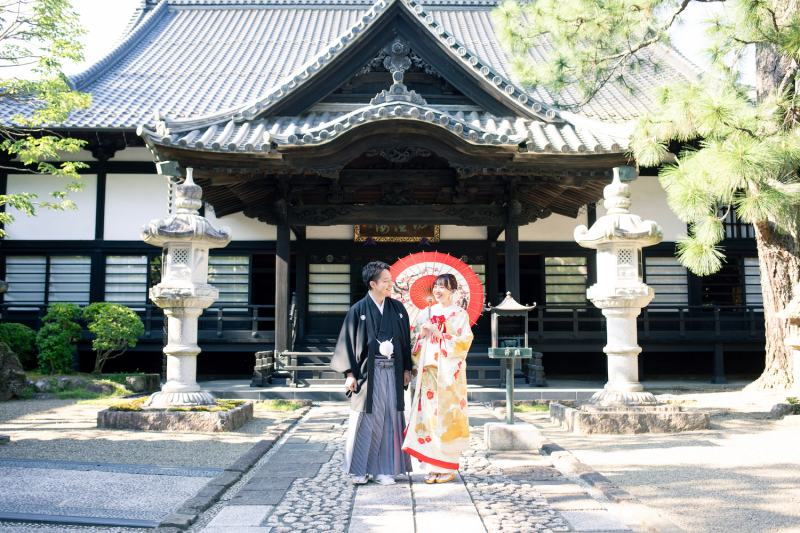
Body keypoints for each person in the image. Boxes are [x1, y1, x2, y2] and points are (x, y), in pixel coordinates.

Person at [330, 261, 413, 485]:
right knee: (365, 418)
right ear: (372, 284)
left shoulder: (398, 309)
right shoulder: (358, 310)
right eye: (386, 281)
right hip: (367, 374)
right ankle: (359, 469)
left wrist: (407, 368)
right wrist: (349, 374)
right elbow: (347, 342)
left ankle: (384, 471)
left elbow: (405, 341)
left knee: (389, 418)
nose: (390, 284)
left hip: (393, 371)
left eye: (390, 280)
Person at [402, 273, 473, 484]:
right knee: (427, 418)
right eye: (436, 287)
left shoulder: (460, 314)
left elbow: (464, 343)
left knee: (446, 418)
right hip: (427, 374)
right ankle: (432, 466)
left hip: (447, 376)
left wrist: (441, 333)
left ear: (453, 291)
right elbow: (413, 340)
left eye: (443, 287)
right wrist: (422, 334)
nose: (438, 291)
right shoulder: (426, 312)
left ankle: (447, 467)